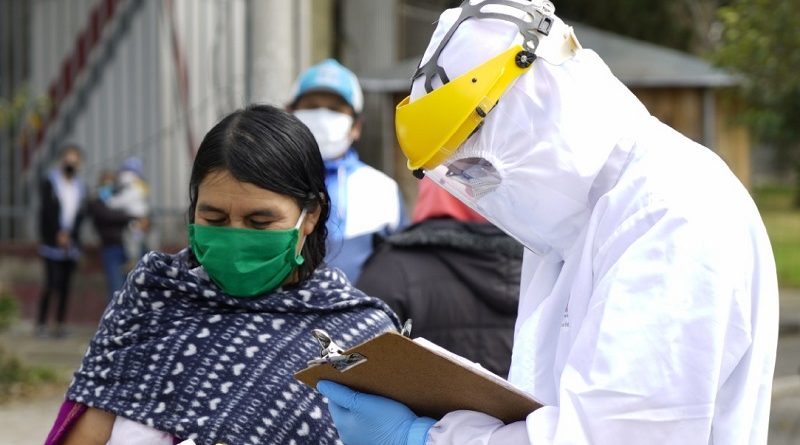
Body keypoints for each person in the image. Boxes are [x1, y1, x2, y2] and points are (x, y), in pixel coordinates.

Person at [317, 1, 779, 444]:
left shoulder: (671, 212)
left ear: (537, 98)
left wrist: (427, 437)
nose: (475, 188)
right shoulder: (579, 218)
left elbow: (618, 434)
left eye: (473, 157)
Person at [44, 104, 401, 445]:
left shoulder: (361, 338)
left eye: (260, 222)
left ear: (310, 215)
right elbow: (89, 425)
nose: (235, 235)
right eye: (213, 219)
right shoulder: (155, 298)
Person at [357, 177, 522, 377]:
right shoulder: (543, 264)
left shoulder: (392, 269)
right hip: (532, 408)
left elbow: (359, 367)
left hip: (423, 407)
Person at [288, 58, 407, 283]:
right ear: (290, 113)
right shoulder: (269, 179)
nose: (322, 118)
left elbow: (401, 271)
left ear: (356, 126)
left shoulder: (381, 189)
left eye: (334, 109)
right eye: (312, 106)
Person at [36, 144, 87, 337]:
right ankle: (41, 323)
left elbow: (80, 214)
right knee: (51, 283)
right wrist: (58, 232)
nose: (71, 163)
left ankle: (60, 324)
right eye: (69, 159)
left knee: (66, 286)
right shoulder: (51, 182)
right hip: (52, 241)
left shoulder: (79, 187)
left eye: (75, 160)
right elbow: (48, 210)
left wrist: (70, 235)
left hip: (71, 243)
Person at [87, 170, 134, 302]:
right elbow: (107, 216)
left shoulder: (120, 199)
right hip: (110, 248)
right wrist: (129, 217)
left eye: (111, 183)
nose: (109, 186)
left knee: (129, 289)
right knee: (116, 288)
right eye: (105, 183)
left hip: (126, 248)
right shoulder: (97, 203)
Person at [104, 156, 151, 267]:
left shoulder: (133, 189)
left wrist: (108, 198)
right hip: (137, 219)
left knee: (132, 242)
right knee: (134, 241)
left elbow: (118, 203)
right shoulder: (139, 187)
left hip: (135, 220)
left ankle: (133, 261)